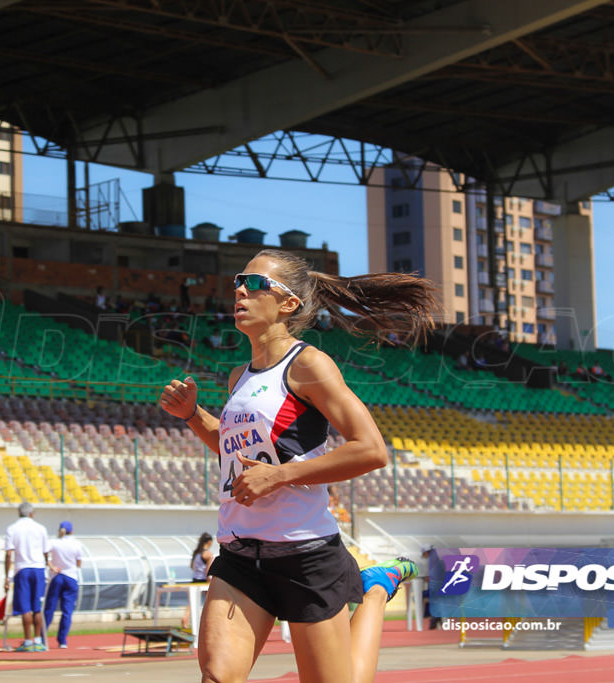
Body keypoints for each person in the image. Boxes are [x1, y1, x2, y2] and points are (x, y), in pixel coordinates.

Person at [159, 249, 437, 683]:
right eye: (238, 281)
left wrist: (280, 475)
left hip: (306, 556)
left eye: (254, 284)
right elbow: (235, 454)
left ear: (288, 304)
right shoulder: (239, 377)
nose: (239, 290)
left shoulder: (309, 365)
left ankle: (377, 588)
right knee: (217, 677)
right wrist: (194, 415)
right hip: (240, 554)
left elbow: (371, 449)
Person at [4, 502, 50, 652]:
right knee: (37, 607)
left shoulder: (12, 528)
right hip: (38, 568)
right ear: (32, 513)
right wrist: (46, 564)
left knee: (25, 608)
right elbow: (45, 551)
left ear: (19, 513)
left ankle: (28, 641)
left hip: (22, 569)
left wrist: (7, 576)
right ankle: (37, 640)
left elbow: (9, 554)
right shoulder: (41, 528)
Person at [44, 521, 82, 649]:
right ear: (72, 531)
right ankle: (62, 640)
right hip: (71, 577)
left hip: (57, 576)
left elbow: (44, 552)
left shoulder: (55, 542)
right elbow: (79, 563)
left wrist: (51, 566)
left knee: (49, 608)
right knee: (67, 611)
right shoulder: (77, 544)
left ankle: (43, 637)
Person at [183, 532, 215, 629]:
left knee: (191, 603)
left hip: (195, 579)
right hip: (203, 580)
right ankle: (209, 622)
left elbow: (192, 567)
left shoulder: (196, 553)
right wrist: (209, 581)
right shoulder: (208, 554)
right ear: (209, 542)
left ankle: (185, 620)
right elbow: (208, 571)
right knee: (210, 601)